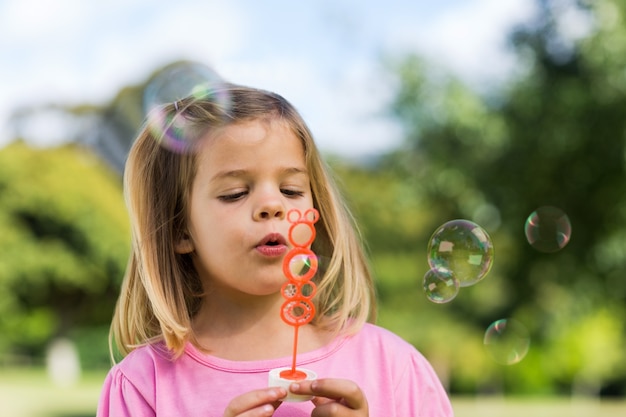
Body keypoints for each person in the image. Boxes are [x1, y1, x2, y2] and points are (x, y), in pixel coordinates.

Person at [96, 81, 454, 417]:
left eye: (292, 190)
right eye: (235, 193)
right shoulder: (143, 385)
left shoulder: (392, 366)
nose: (272, 205)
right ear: (179, 229)